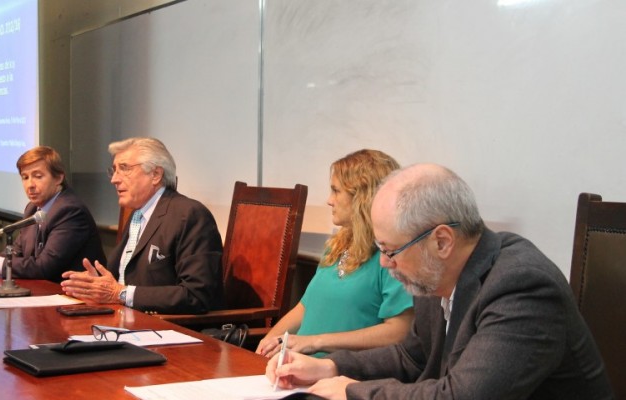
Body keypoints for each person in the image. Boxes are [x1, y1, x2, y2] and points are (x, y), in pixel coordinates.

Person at [267, 163, 613, 399]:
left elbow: (462, 396)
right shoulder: (434, 274)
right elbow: (413, 358)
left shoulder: (523, 286)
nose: (386, 263)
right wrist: (330, 366)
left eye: (391, 250)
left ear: (442, 241)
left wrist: (350, 391)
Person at [256, 150, 413, 359]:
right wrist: (269, 341)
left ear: (362, 196)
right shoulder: (338, 245)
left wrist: (315, 342)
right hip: (296, 366)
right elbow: (305, 307)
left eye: (336, 191)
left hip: (340, 374)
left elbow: (399, 332)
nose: (329, 200)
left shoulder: (393, 255)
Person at [60, 137, 223, 314]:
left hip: (169, 330)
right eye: (114, 170)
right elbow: (126, 278)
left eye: (124, 169)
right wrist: (94, 284)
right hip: (124, 319)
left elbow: (196, 295)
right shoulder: (137, 214)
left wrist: (120, 294)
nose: (114, 179)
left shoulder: (190, 215)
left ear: (155, 175)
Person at [0, 146, 106, 283]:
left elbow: (45, 267)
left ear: (59, 178)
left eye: (38, 176)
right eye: (25, 177)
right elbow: (17, 251)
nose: (30, 185)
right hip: (46, 293)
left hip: (78, 299)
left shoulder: (70, 211)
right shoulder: (33, 209)